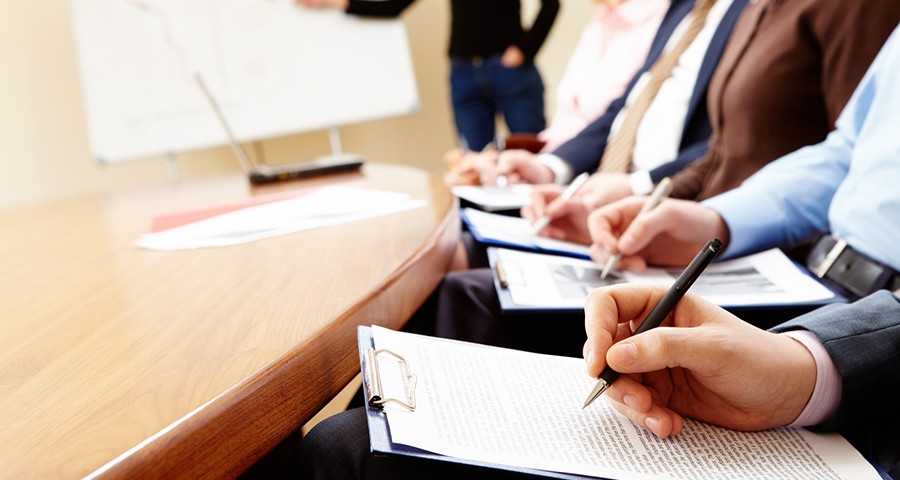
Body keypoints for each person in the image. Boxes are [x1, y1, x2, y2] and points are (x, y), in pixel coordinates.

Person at [443, 0, 669, 186]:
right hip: (562, 166)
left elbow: (613, 127)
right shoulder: (601, 21)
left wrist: (525, 49)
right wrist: (498, 157)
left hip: (598, 180)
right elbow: (567, 128)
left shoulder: (663, 25)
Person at [295, 0, 559, 152]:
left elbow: (551, 5)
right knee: (474, 165)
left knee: (532, 156)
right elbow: (394, 5)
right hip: (464, 74)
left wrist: (524, 50)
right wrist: (336, 2)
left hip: (511, 73)